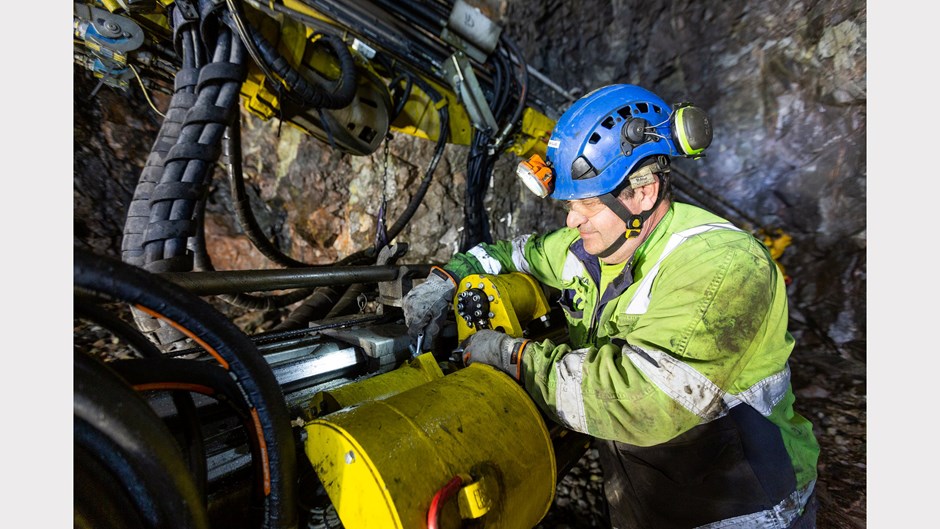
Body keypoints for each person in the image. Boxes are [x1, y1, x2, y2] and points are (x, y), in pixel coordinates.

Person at [402, 84, 819, 529]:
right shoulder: (590, 249)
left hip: (743, 508)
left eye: (585, 203)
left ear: (641, 194)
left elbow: (643, 402)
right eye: (569, 203)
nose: (571, 219)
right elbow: (513, 253)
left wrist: (515, 359)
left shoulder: (722, 262)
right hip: (646, 499)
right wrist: (447, 278)